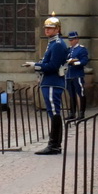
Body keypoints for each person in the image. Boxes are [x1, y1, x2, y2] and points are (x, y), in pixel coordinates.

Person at [28, 15, 70, 155]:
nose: (47, 30)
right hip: (49, 82)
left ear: (57, 29)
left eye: (50, 28)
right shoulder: (52, 43)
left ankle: (54, 145)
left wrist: (36, 66)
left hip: (53, 82)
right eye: (46, 28)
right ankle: (55, 144)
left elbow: (53, 65)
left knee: (54, 113)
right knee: (53, 113)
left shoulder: (57, 44)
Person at [65, 31, 90, 120]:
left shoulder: (81, 49)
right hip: (69, 74)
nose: (70, 41)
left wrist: (75, 63)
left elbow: (84, 61)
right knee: (71, 94)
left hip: (77, 74)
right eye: (70, 40)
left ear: (76, 39)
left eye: (72, 40)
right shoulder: (69, 50)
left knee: (80, 93)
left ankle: (81, 112)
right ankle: (72, 112)